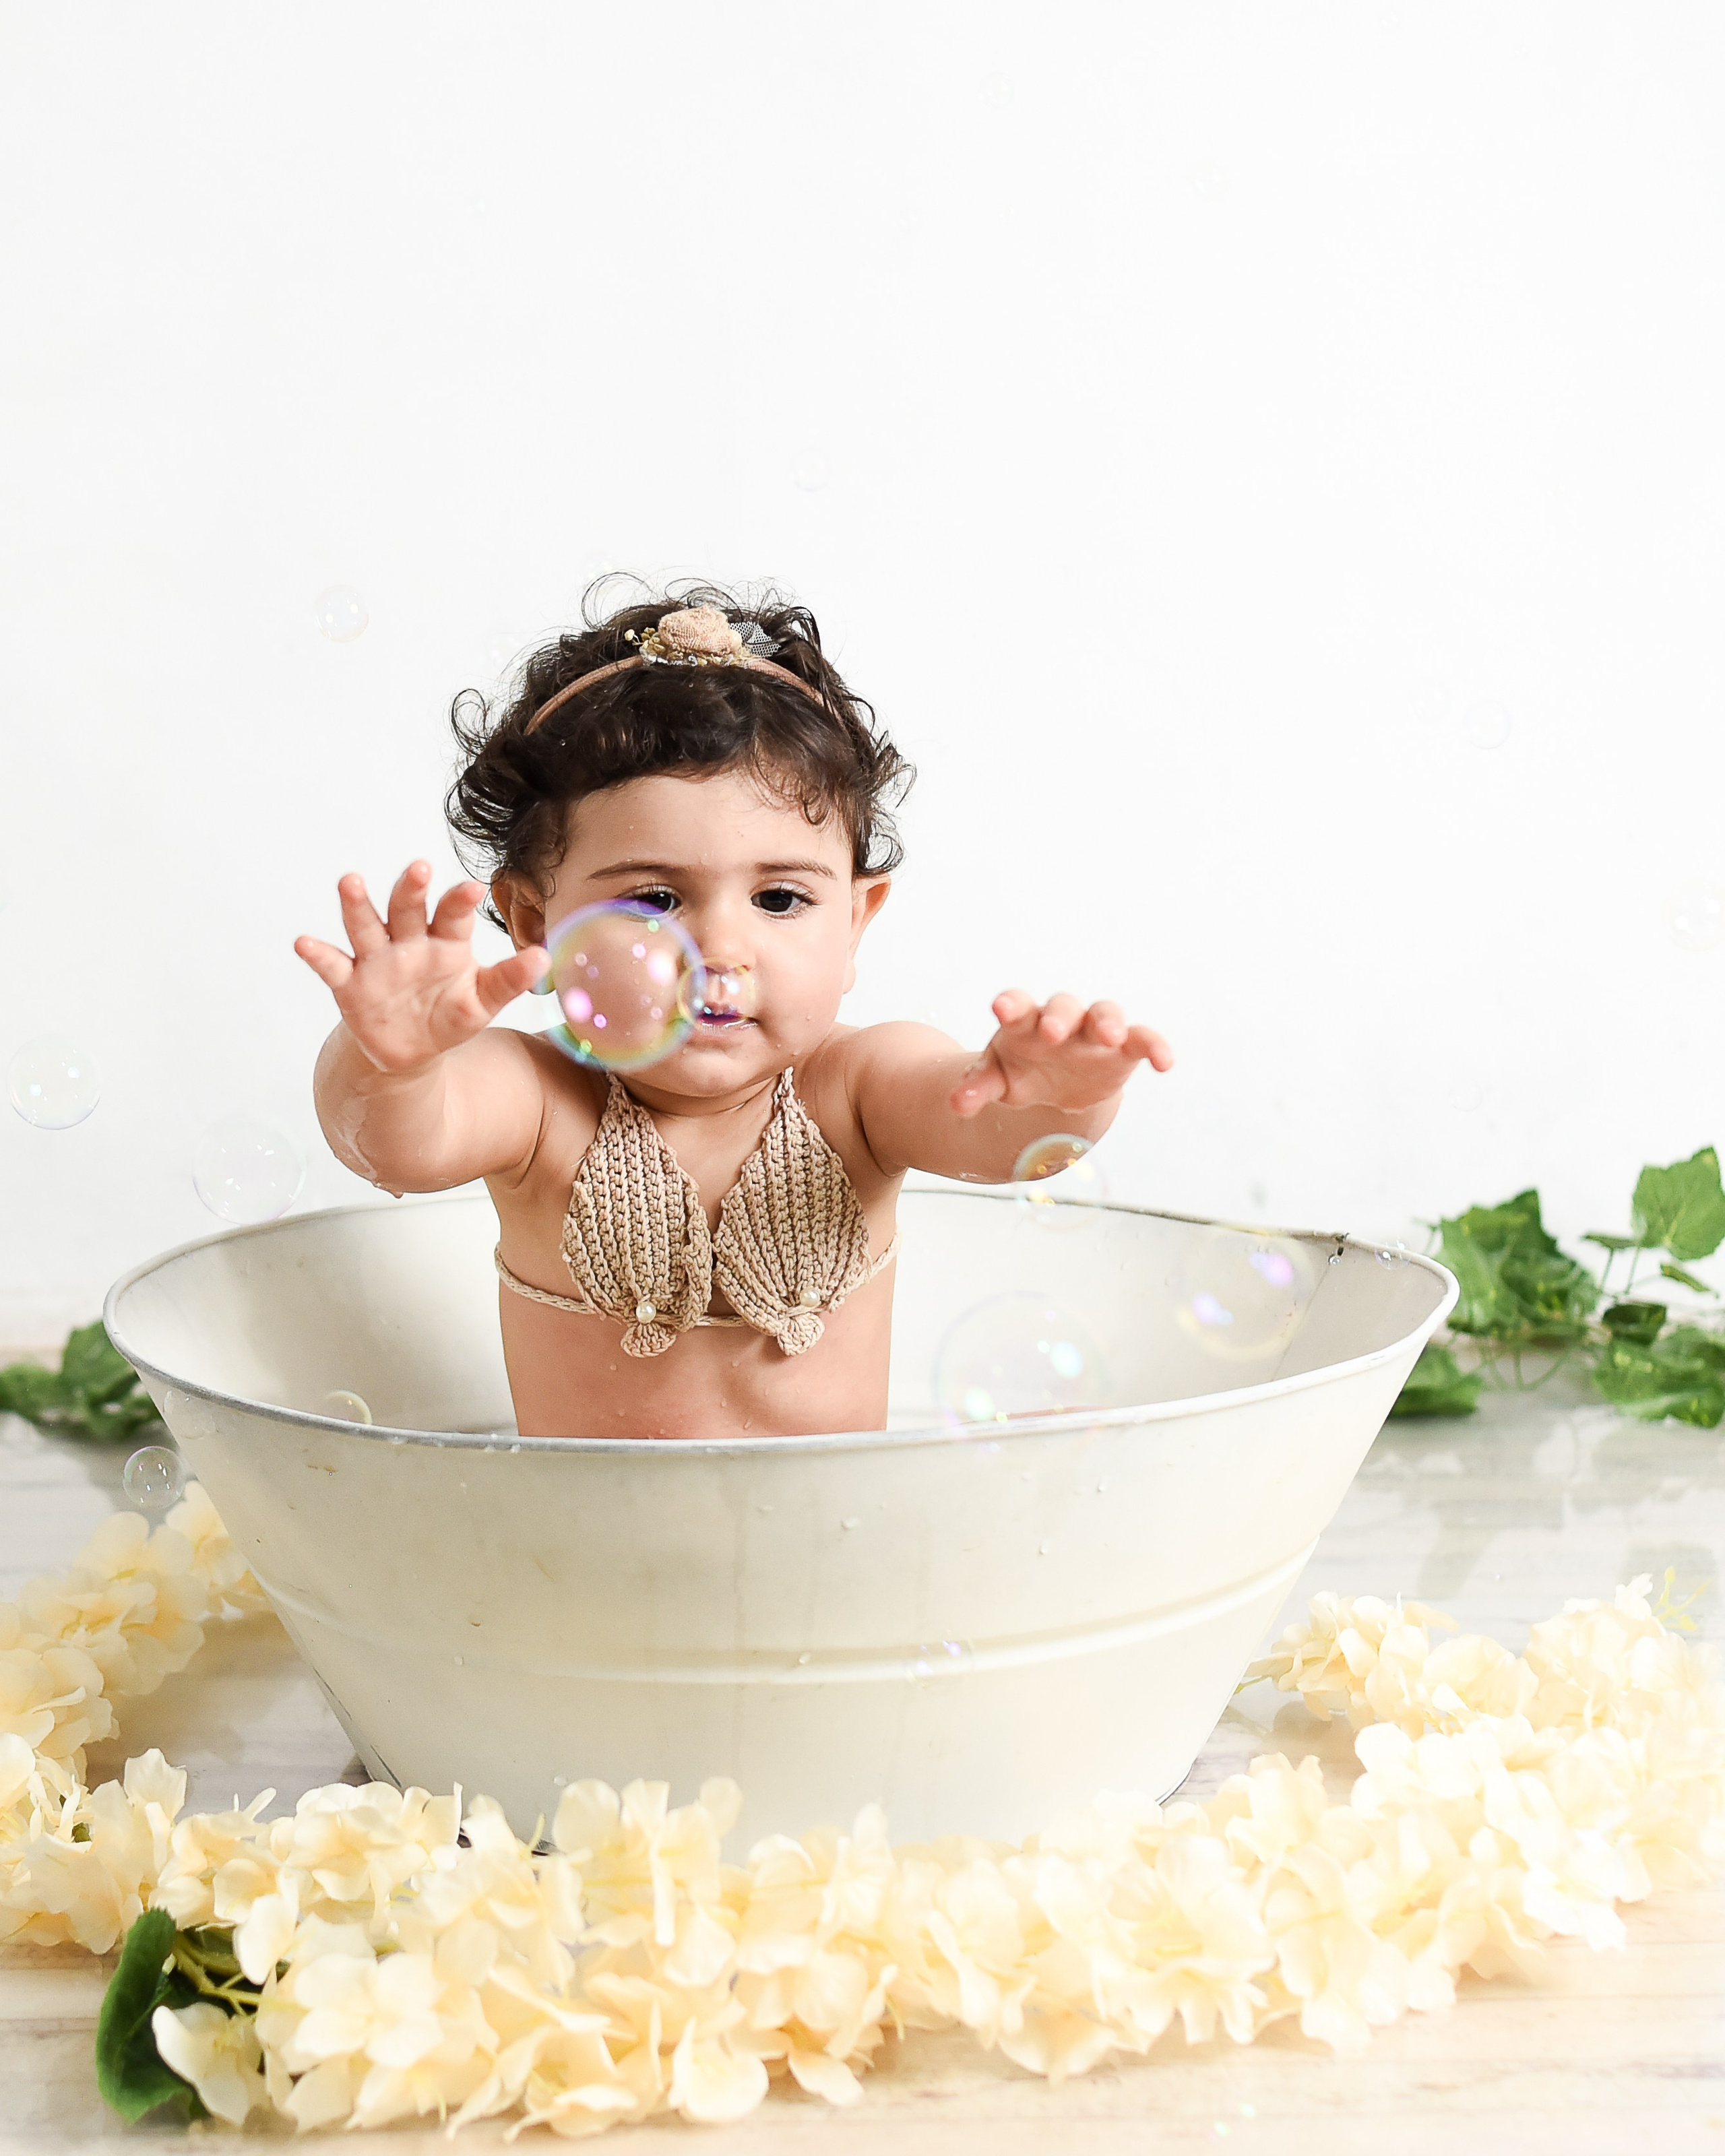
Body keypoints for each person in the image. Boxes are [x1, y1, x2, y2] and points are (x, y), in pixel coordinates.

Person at [295, 584, 1172, 1439]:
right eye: (653, 901)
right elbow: (395, 1143)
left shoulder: (859, 1089)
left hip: (828, 1545)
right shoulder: (536, 1101)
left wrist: (1061, 1093)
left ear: (856, 921)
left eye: (782, 900)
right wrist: (391, 1061)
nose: (721, 949)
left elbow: (998, 1131)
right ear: (537, 924)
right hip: (581, 1559)